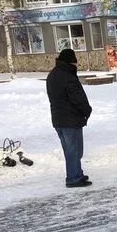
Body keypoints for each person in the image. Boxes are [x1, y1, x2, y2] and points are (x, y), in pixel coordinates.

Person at [46, 49, 93, 188]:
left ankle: (76, 173)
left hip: (58, 119)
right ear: (70, 62)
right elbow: (77, 98)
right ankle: (73, 178)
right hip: (71, 119)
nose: (76, 65)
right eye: (75, 62)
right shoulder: (68, 76)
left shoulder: (53, 74)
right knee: (75, 150)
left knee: (70, 150)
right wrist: (87, 110)